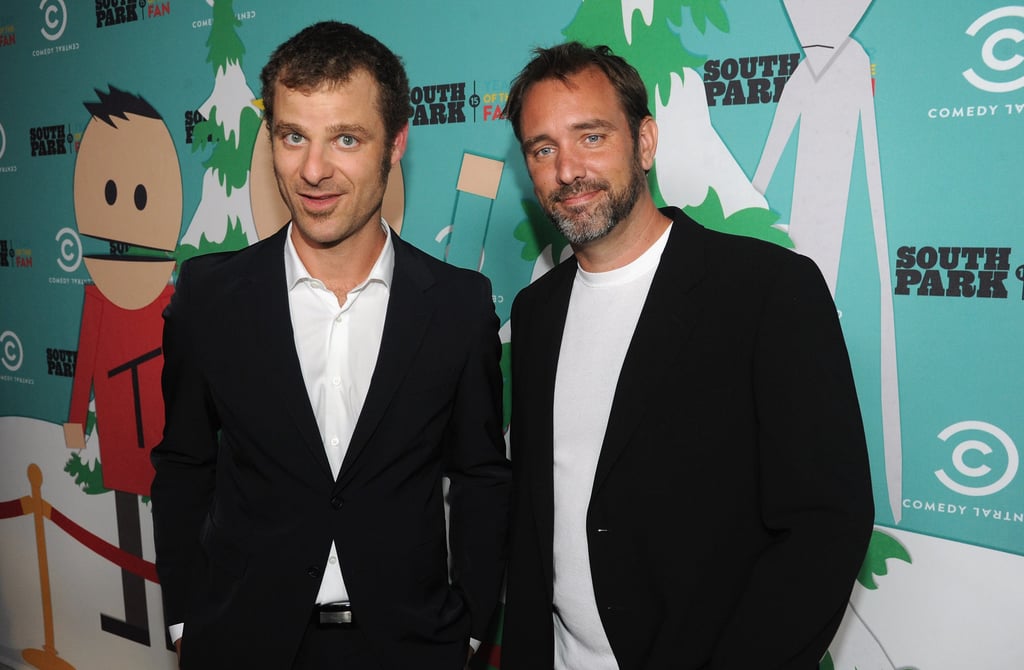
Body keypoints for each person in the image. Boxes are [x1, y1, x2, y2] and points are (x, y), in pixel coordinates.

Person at [501, 42, 874, 670]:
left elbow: (825, 523)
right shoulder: (536, 314)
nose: (567, 170)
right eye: (543, 149)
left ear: (645, 142)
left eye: (590, 137)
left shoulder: (765, 290)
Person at [151, 21, 510, 670]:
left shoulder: (458, 306)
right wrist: (184, 620)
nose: (313, 171)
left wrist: (472, 628)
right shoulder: (209, 296)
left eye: (345, 138)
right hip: (242, 644)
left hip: (411, 648)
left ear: (395, 143)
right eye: (293, 137)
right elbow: (183, 464)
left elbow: (481, 476)